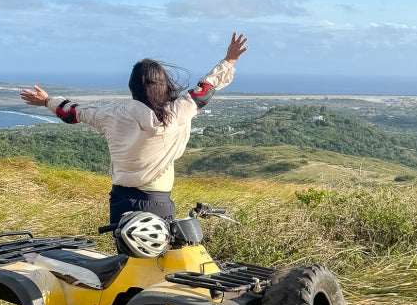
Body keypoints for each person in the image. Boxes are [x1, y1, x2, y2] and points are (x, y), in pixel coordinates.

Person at [20, 33, 248, 227]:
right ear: (164, 85)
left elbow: (73, 113)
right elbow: (204, 91)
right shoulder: (176, 114)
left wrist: (48, 100)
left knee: (125, 265)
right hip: (157, 201)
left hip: (121, 200)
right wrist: (229, 60)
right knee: (156, 268)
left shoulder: (111, 116)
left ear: (132, 87)